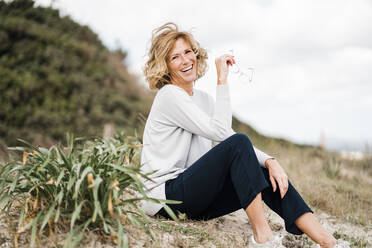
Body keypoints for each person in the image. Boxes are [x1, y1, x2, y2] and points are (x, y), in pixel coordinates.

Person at [139, 22, 343, 248]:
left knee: (264, 172)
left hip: (193, 198)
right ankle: (262, 238)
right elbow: (226, 136)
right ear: (165, 66)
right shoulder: (169, 95)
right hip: (164, 200)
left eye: (187, 52)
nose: (186, 60)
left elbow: (228, 138)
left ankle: (328, 242)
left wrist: (269, 160)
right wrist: (222, 80)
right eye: (175, 57)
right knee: (240, 144)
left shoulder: (204, 100)